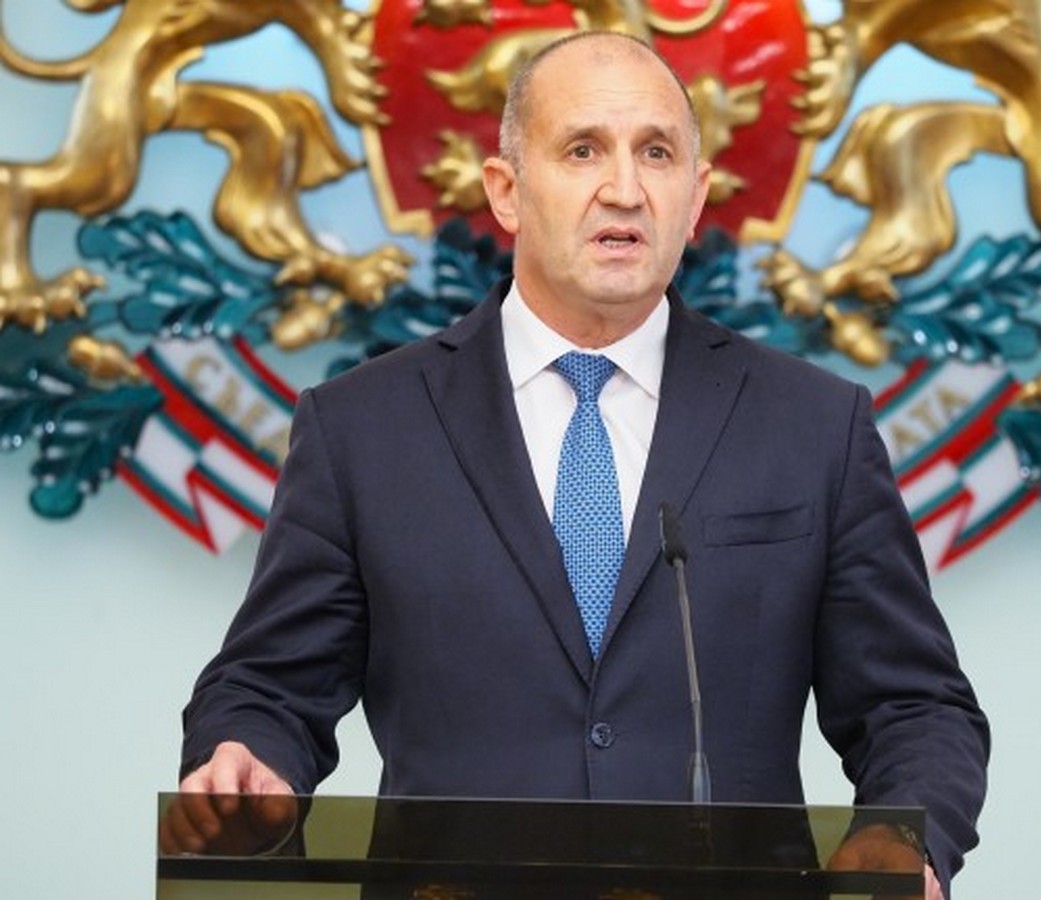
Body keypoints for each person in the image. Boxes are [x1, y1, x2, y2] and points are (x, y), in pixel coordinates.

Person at [163, 31, 988, 899]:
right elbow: (271, 687)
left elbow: (913, 705)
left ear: (696, 197)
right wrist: (246, 761)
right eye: (583, 149)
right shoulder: (362, 429)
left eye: (657, 153)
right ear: (506, 191)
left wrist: (903, 835)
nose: (624, 189)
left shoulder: (814, 426)